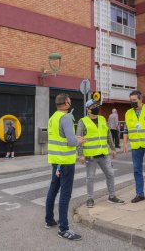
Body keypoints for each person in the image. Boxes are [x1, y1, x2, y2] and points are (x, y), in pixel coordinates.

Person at [44, 93, 86, 241]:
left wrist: (74, 139)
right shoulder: (66, 118)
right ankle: (63, 229)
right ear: (67, 103)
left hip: (56, 160)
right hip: (66, 161)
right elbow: (71, 141)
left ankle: (49, 220)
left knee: (53, 189)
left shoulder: (52, 118)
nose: (70, 102)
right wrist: (79, 140)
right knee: (65, 194)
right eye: (70, 101)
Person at [77, 100, 125, 208]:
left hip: (104, 154)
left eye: (96, 106)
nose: (96, 108)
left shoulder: (102, 119)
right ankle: (90, 198)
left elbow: (108, 135)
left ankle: (112, 196)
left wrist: (113, 148)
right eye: (93, 106)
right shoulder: (82, 121)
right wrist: (80, 155)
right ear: (88, 109)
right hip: (91, 156)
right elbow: (78, 139)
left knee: (110, 174)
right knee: (90, 177)